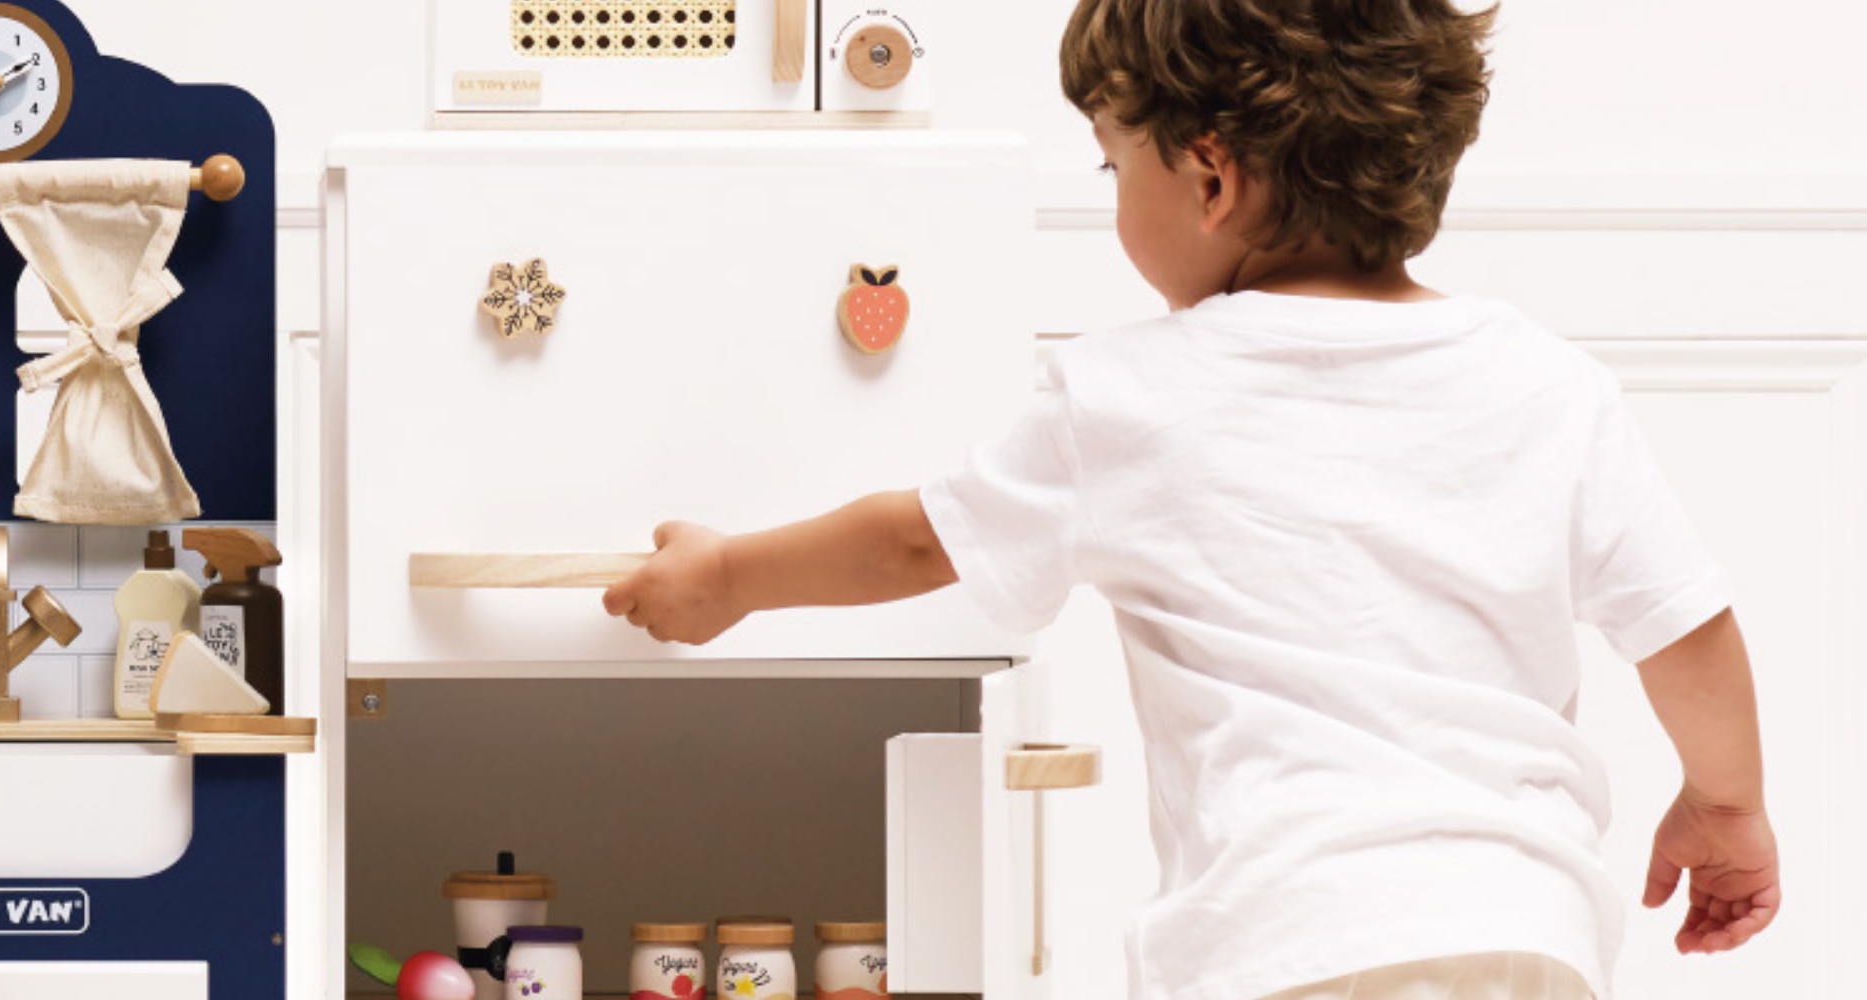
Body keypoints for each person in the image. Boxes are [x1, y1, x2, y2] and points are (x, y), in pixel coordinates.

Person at [599, 2, 1778, 998]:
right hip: (1526, 929)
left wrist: (725, 576)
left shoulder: (1133, 392)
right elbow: (1684, 622)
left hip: (1284, 938)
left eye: (1115, 166)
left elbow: (917, 539)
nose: (1114, 195)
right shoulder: (1546, 381)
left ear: (1210, 176)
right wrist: (1726, 807)